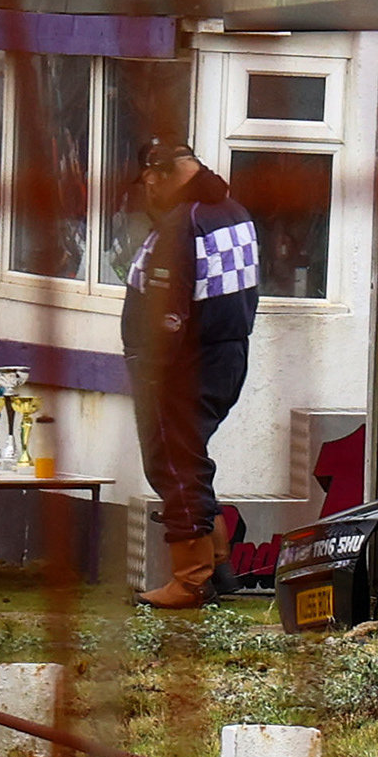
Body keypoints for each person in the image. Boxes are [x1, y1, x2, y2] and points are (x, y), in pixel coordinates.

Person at [125, 141, 259, 609]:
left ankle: (191, 580)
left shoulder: (181, 224)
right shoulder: (232, 210)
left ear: (158, 176)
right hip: (227, 355)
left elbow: (169, 312)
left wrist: (153, 371)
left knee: (172, 465)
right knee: (190, 459)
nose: (148, 192)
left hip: (181, 365)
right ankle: (219, 568)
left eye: (148, 182)